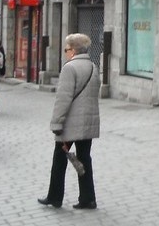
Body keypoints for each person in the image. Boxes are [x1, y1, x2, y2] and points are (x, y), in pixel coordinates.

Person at [38, 33, 101, 210]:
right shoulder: (92, 66)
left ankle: (54, 196)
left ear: (73, 50)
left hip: (70, 123)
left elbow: (63, 98)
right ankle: (88, 199)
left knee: (59, 159)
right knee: (84, 159)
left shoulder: (69, 68)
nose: (65, 52)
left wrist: (57, 123)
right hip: (88, 122)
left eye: (66, 49)